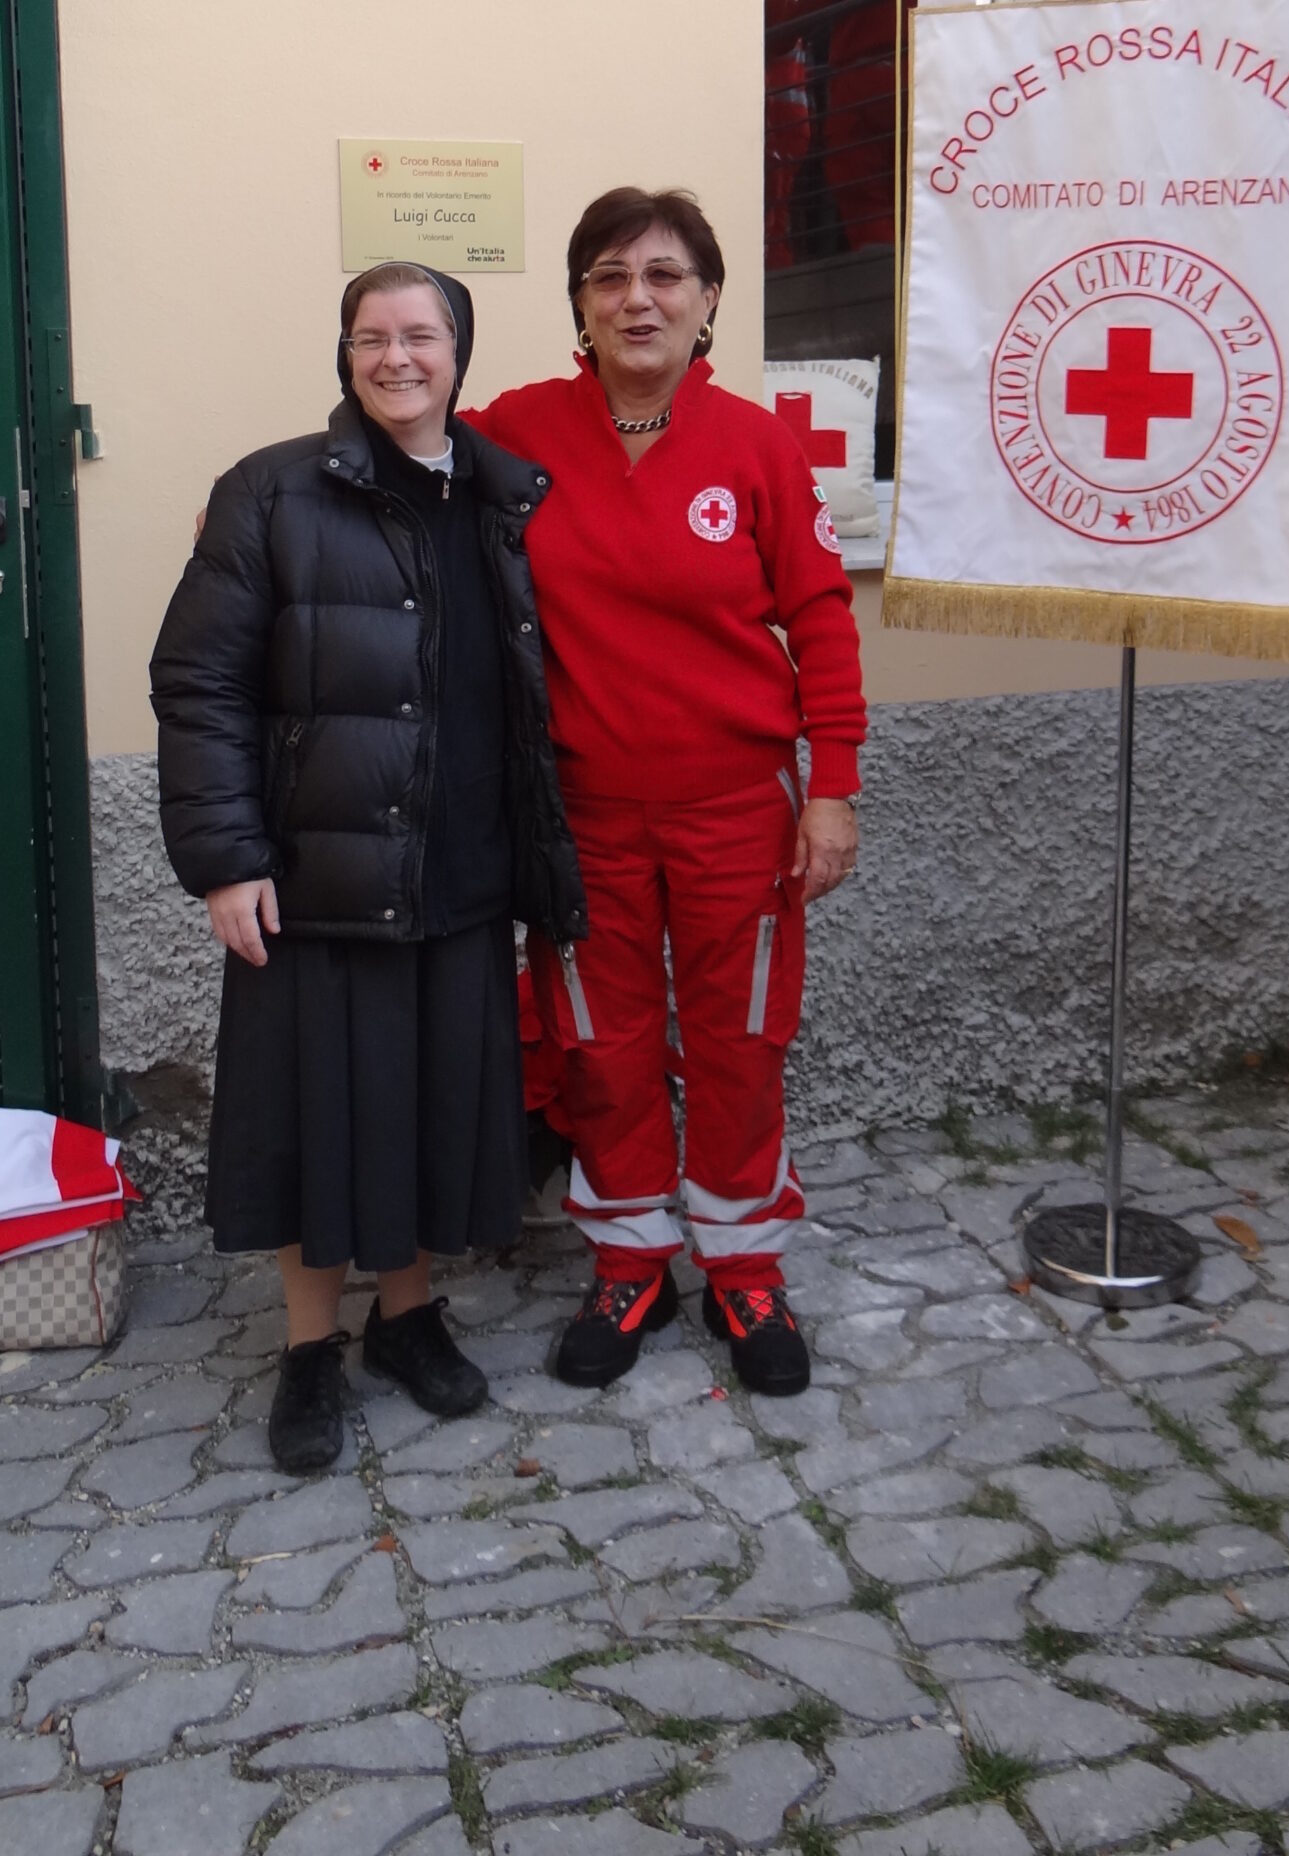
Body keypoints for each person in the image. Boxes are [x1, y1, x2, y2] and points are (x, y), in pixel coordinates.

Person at [150, 264, 585, 1472]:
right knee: (316, 1117)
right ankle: (307, 1347)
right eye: (370, 336)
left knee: (425, 1106)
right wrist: (227, 860)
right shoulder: (271, 490)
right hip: (318, 873)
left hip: (459, 870)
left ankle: (406, 1316)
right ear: (344, 355)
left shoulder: (500, 492)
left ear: (459, 350)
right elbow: (199, 681)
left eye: (420, 334)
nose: (396, 356)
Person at [471, 187, 866, 1397]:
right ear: (580, 305)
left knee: (741, 1038)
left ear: (707, 301)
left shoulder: (757, 445)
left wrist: (832, 787)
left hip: (737, 809)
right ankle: (632, 1259)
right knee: (602, 1044)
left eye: (663, 275)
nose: (636, 298)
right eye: (608, 275)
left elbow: (821, 617)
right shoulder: (517, 432)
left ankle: (744, 1264)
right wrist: (265, 503)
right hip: (581, 814)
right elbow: (398, 453)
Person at [788, 0, 928, 249]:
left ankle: (879, 278)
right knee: (911, 198)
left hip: (863, 86)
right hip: (916, 83)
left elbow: (809, 10)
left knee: (862, 194)